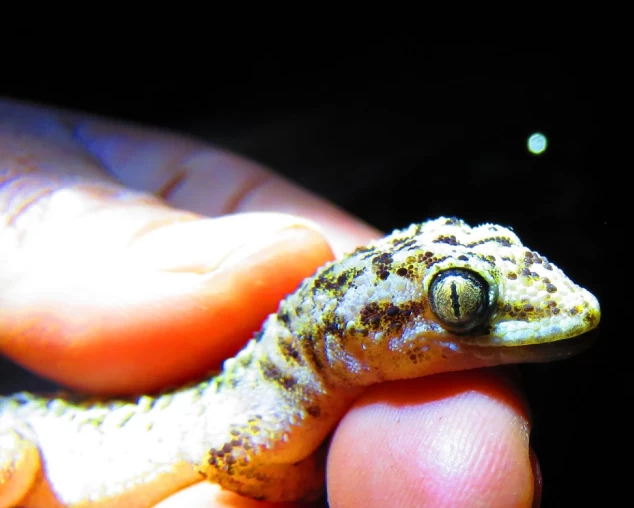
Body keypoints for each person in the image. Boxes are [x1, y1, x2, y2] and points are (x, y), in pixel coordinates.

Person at [0, 99, 540, 508]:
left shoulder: (301, 393)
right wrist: (303, 484)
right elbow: (223, 457)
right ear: (357, 332)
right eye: (459, 300)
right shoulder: (274, 409)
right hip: (34, 440)